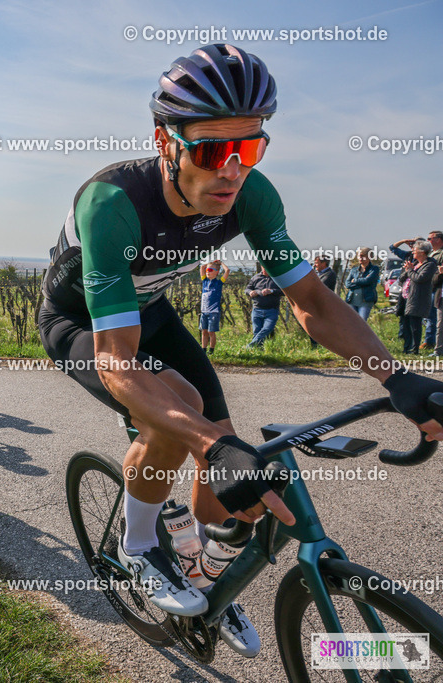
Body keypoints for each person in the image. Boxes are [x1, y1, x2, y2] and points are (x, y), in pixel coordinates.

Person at [37, 43, 443, 659]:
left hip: (152, 312)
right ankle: (140, 544)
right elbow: (117, 361)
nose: (230, 170)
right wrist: (208, 442)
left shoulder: (253, 195)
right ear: (165, 140)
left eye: (248, 148)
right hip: (82, 323)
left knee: (226, 461)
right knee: (184, 416)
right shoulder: (112, 203)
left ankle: (204, 571)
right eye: (210, 150)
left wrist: (397, 377)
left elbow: (314, 300)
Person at [398, 241, 436, 354]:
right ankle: (407, 347)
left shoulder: (429, 265)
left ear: (423, 252)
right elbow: (402, 278)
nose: (413, 252)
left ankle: (415, 349)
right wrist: (407, 269)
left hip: (418, 299)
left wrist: (410, 270)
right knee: (406, 324)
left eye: (415, 250)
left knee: (415, 325)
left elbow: (420, 278)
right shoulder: (415, 263)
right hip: (406, 297)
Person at [245, 265, 283, 348]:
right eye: (264, 266)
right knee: (256, 331)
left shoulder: (277, 278)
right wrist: (250, 292)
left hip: (272, 310)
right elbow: (247, 289)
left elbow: (283, 291)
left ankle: (250, 346)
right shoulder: (255, 278)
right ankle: (259, 350)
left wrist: (271, 291)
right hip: (257, 309)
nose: (266, 268)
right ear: (261, 266)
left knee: (267, 329)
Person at [199, 261, 229, 354]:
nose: (208, 271)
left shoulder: (219, 283)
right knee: (204, 331)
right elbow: (202, 267)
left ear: (217, 272)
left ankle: (211, 350)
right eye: (207, 270)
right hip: (204, 311)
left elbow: (227, 270)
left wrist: (221, 263)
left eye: (211, 270)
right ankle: (203, 350)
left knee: (211, 332)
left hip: (213, 311)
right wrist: (210, 263)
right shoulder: (204, 281)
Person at [308, 255, 337, 348]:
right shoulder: (317, 274)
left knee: (321, 326)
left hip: (323, 304)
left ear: (324, 263)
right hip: (315, 303)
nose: (315, 265)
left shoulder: (330, 274)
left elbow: (319, 286)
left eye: (316, 263)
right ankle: (315, 345)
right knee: (312, 325)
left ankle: (323, 345)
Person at [343, 248, 380, 320]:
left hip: (365, 301)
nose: (360, 258)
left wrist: (355, 281)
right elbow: (347, 284)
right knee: (351, 322)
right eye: (359, 256)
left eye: (362, 256)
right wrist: (361, 282)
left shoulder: (374, 269)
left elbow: (368, 281)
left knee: (362, 322)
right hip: (352, 300)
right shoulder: (354, 270)